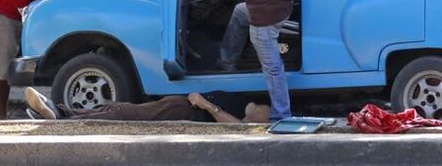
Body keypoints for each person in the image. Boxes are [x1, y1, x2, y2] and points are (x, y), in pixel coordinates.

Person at [23, 87, 270, 123]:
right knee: (118, 107)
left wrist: (206, 105)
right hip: (186, 104)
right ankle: (60, 112)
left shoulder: (272, 112)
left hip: (190, 110)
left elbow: (241, 127)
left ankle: (64, 119)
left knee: (124, 112)